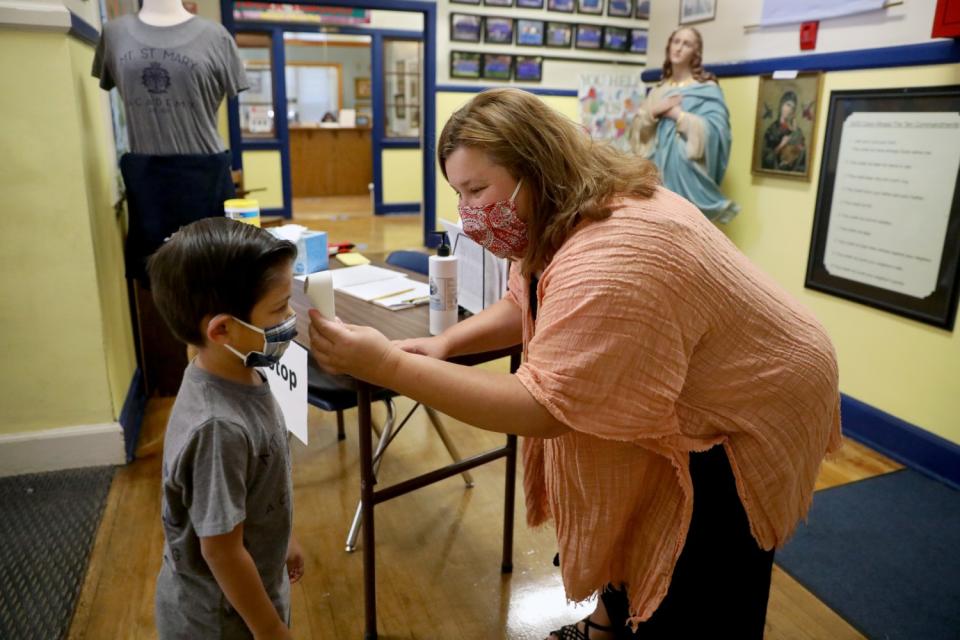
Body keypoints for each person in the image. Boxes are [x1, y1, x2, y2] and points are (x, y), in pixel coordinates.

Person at [307, 88, 841, 639]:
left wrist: (388, 367)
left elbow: (544, 406)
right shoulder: (564, 211)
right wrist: (447, 345)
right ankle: (606, 625)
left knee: (702, 566)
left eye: (476, 190)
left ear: (535, 168)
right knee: (626, 490)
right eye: (458, 194)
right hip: (711, 362)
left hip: (755, 398)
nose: (468, 214)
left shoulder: (612, 254)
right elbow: (527, 298)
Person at [147, 218, 304, 639]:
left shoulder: (239, 364)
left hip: (247, 596)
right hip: (221, 621)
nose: (290, 318)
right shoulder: (218, 428)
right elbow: (220, 550)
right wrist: (270, 628)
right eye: (279, 308)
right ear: (221, 329)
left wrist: (283, 536)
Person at [628, 26, 739, 223]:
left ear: (695, 53)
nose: (678, 48)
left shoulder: (707, 89)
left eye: (686, 44)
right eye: (676, 41)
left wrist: (677, 115)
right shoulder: (658, 91)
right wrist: (655, 111)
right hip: (657, 172)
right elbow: (637, 132)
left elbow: (717, 132)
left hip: (688, 174)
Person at [762, 90, 807, 172]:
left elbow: (802, 159)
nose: (790, 109)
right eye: (788, 105)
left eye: (793, 107)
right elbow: (765, 160)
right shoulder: (771, 130)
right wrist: (781, 145)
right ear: (781, 105)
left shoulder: (797, 131)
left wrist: (796, 134)